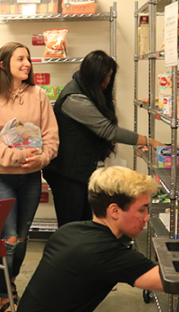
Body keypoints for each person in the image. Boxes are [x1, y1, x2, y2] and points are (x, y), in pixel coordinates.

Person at [0, 42, 59, 312]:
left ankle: (10, 281)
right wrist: (19, 157)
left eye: (28, 59)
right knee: (8, 238)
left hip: (32, 178)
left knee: (22, 237)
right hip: (0, 178)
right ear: (3, 65)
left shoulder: (40, 95)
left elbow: (51, 136)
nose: (27, 64)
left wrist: (43, 157)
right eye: (20, 59)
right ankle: (4, 295)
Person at [17, 166, 164, 312]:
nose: (147, 217)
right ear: (115, 211)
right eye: (141, 210)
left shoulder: (69, 230)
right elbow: (173, 281)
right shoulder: (105, 253)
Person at [42, 50, 162, 227]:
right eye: (104, 77)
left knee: (82, 222)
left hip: (78, 170)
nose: (107, 82)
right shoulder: (74, 99)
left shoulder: (85, 90)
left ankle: (82, 254)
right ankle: (70, 255)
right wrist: (149, 141)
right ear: (92, 75)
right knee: (71, 225)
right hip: (66, 172)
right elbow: (108, 131)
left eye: (110, 76)